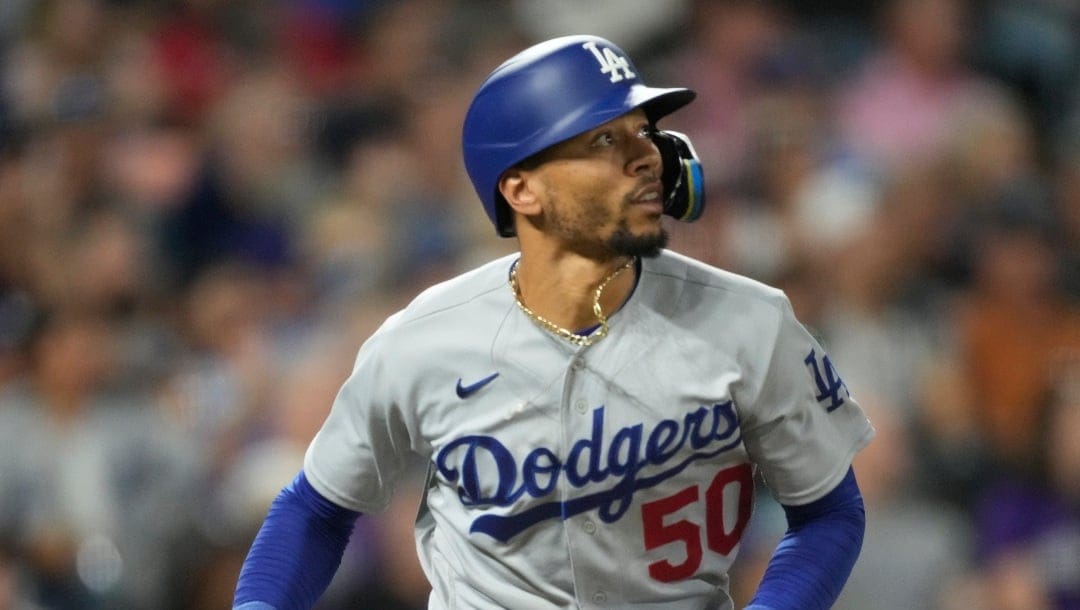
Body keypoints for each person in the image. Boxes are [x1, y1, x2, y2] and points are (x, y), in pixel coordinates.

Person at [233, 34, 875, 610]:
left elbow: (829, 512)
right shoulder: (423, 342)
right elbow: (315, 510)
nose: (647, 157)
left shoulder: (752, 322)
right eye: (604, 140)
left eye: (644, 132)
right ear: (522, 190)